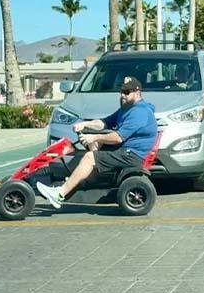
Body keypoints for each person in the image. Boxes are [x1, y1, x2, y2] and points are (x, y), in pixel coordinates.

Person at [36, 77, 158, 209]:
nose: (122, 95)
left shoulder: (139, 112)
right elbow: (104, 123)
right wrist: (85, 124)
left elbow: (118, 137)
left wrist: (93, 138)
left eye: (127, 92)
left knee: (90, 157)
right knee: (89, 151)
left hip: (132, 154)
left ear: (137, 93)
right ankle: (78, 181)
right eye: (121, 91)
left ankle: (59, 194)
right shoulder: (126, 108)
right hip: (125, 150)